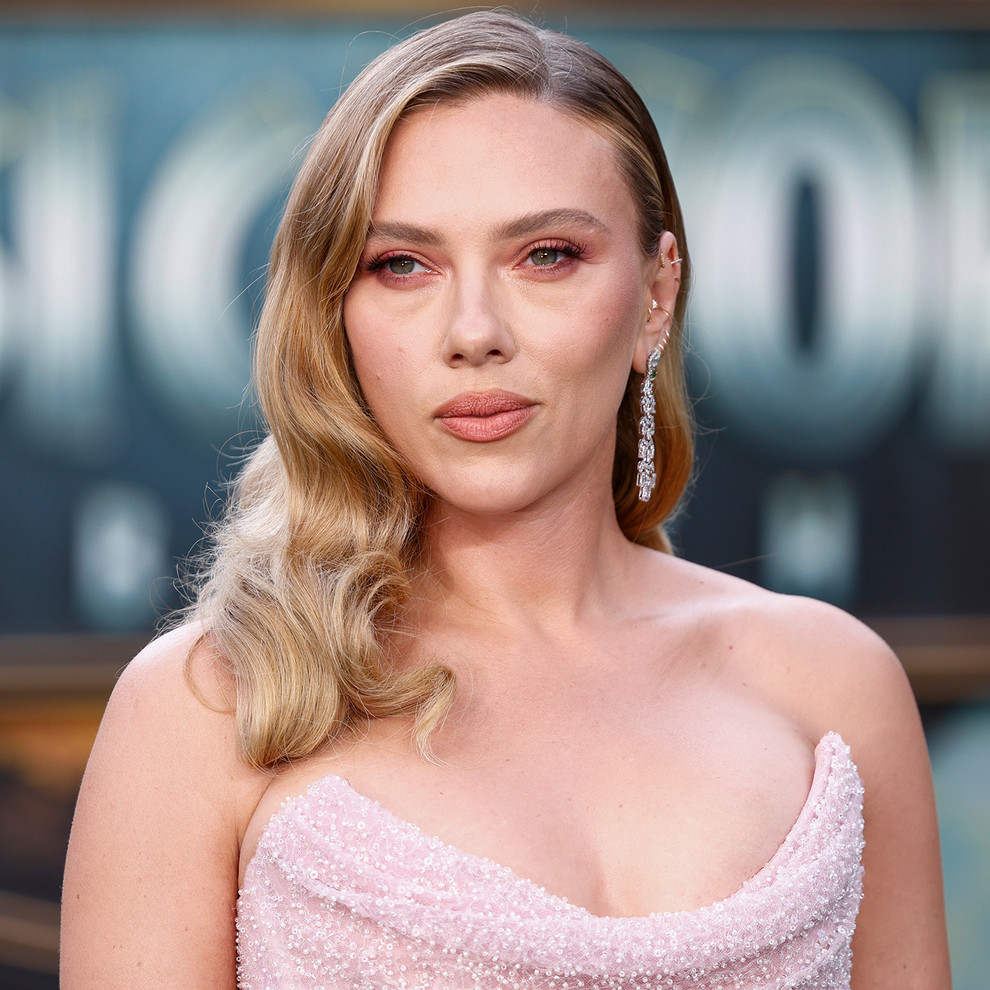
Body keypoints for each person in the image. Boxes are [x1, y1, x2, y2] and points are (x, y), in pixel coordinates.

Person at [60, 11, 950, 989]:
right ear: (336, 313)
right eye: (403, 265)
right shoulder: (209, 706)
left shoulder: (832, 688)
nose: (474, 331)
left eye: (547, 255)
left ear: (656, 296)